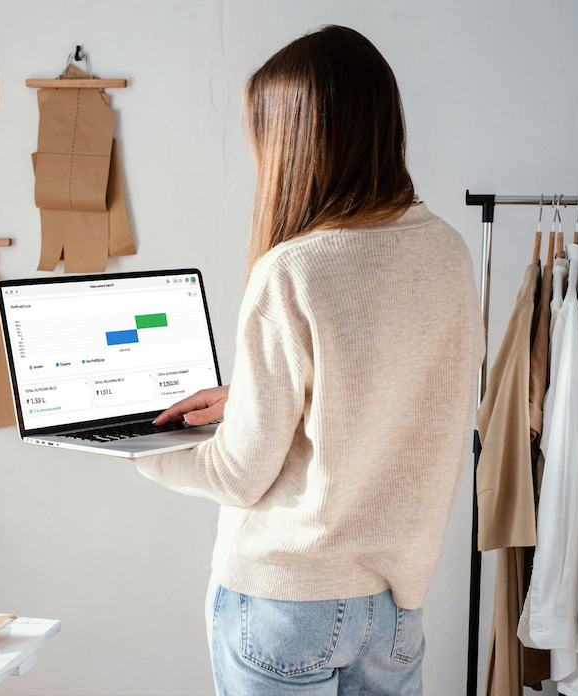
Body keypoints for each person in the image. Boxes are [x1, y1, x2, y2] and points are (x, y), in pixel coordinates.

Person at [135, 25, 485, 695]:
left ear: (295, 145)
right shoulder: (447, 251)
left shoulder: (293, 270)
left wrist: (133, 450)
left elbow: (237, 475)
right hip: (394, 612)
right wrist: (252, 398)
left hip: (282, 603)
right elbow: (389, 392)